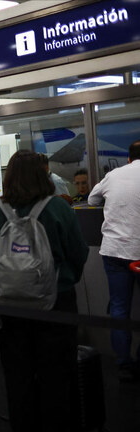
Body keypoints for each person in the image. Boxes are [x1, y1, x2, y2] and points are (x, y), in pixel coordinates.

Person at [0, 150, 88, 432]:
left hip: (9, 309)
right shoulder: (59, 209)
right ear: (43, 175)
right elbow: (78, 253)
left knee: (17, 375)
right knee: (57, 375)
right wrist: (62, 281)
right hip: (56, 306)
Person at [88, 140, 140, 382]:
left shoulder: (113, 175)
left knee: (119, 309)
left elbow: (91, 200)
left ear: (129, 158)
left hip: (115, 251)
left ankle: (123, 365)